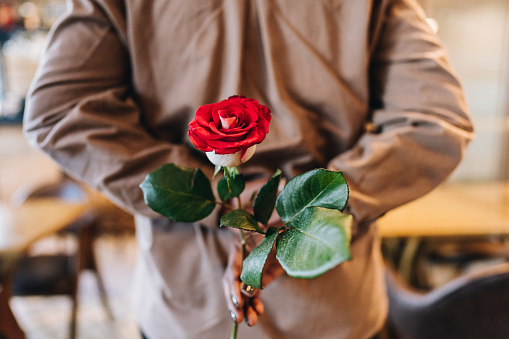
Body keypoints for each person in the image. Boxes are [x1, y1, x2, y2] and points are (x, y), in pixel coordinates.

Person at [23, 0, 474, 338]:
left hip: (190, 312)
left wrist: (211, 195)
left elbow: (58, 111)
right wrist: (308, 208)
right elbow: (433, 122)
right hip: (332, 312)